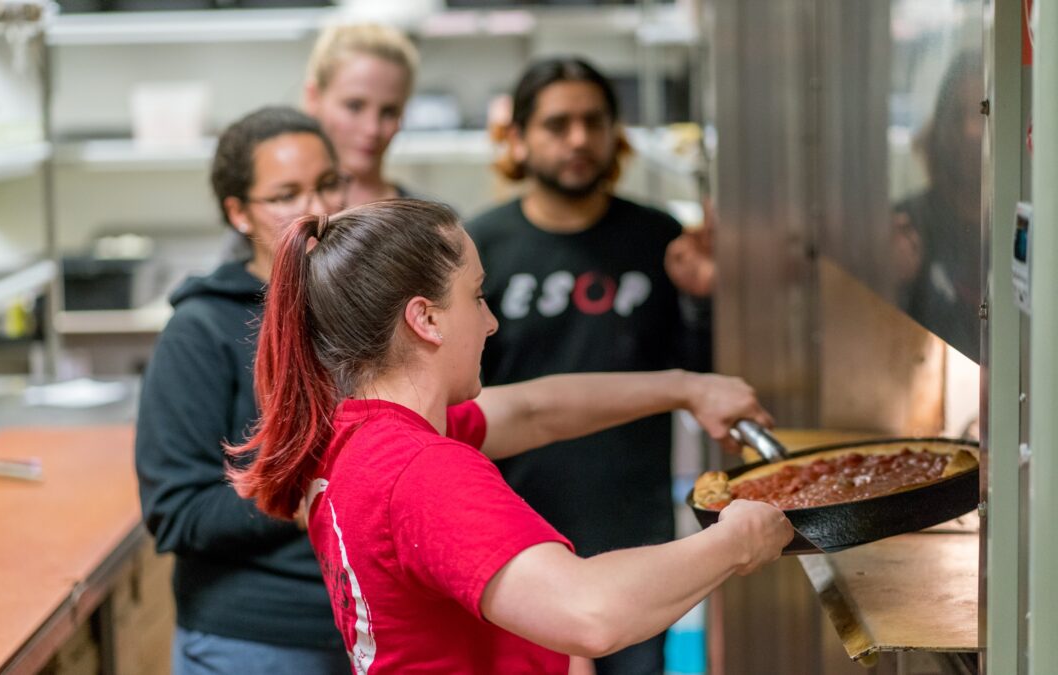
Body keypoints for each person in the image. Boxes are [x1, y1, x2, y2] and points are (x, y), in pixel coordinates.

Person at [228, 198, 794, 673]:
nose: (491, 321)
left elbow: (533, 409)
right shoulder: (421, 470)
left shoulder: (360, 436)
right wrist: (737, 540)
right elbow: (591, 613)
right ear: (426, 319)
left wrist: (686, 388)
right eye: (476, 296)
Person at [466, 56, 712, 674]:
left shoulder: (659, 238)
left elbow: (698, 379)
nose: (578, 139)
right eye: (557, 124)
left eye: (592, 122)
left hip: (632, 523)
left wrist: (702, 301)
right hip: (511, 529)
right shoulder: (477, 249)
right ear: (518, 138)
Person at [134, 106, 353, 674]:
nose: (319, 210)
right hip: (259, 641)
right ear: (239, 213)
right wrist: (306, 499)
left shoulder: (362, 314)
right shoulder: (201, 329)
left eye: (330, 184)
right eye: (286, 194)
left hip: (369, 630)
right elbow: (178, 511)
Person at [891, 50, 983, 359]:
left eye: (983, 112)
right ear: (941, 127)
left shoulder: (1017, 228)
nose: (972, 131)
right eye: (958, 115)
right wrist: (898, 281)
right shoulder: (909, 224)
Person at [303, 23, 420, 207]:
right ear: (314, 98)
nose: (372, 129)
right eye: (354, 106)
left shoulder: (432, 226)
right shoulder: (273, 220)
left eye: (389, 112)